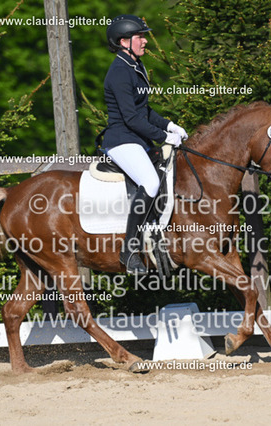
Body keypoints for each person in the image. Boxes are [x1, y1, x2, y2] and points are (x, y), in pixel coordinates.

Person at [102, 14, 188, 274]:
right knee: (150, 183)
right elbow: (131, 118)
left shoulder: (134, 66)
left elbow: (144, 110)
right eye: (140, 36)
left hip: (137, 139)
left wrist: (169, 125)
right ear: (123, 41)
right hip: (121, 140)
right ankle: (129, 251)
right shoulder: (120, 72)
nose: (145, 41)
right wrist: (163, 137)